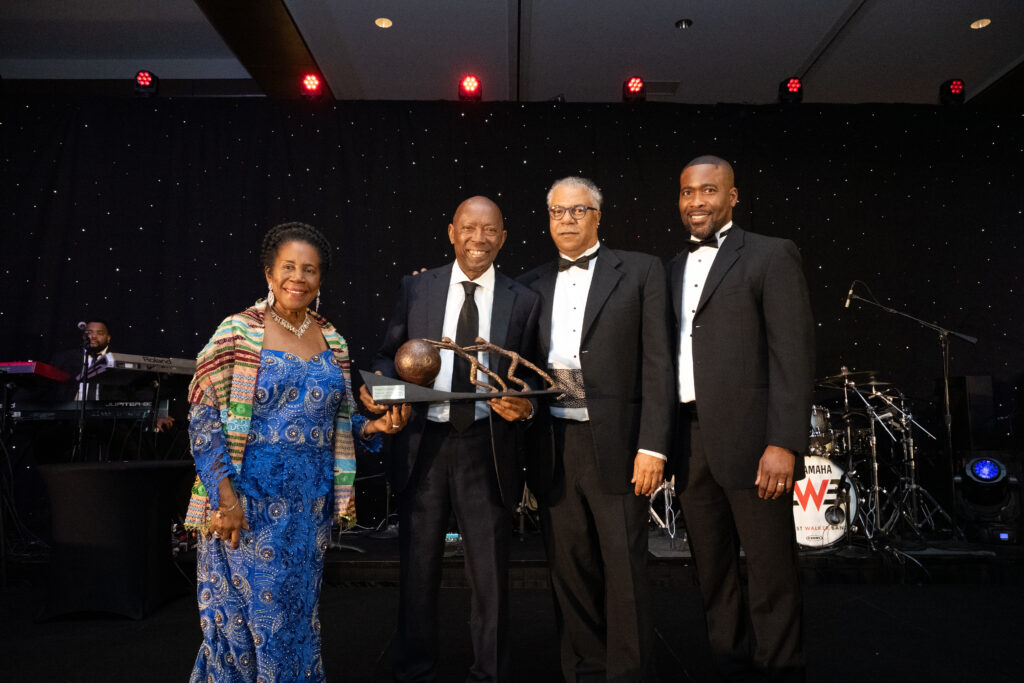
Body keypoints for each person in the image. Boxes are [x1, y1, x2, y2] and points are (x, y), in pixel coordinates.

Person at [184, 221, 409, 683]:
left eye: (310, 269)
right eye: (288, 267)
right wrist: (225, 499)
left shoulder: (333, 341)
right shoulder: (237, 332)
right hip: (247, 505)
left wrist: (377, 426)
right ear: (269, 273)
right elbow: (202, 421)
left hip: (307, 511)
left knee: (295, 622)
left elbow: (339, 424)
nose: (298, 278)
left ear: (320, 279)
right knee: (248, 627)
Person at [361, 196, 540, 682]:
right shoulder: (417, 287)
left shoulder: (524, 300)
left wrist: (526, 404)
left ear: (503, 238)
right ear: (451, 232)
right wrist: (378, 386)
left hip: (487, 445)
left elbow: (535, 375)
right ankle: (414, 672)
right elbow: (386, 354)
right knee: (418, 572)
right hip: (424, 443)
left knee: (491, 578)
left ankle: (491, 673)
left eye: (490, 230)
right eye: (469, 228)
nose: (478, 239)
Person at [518, 177, 674, 681]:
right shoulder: (529, 283)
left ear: (598, 216)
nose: (567, 220)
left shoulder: (642, 270)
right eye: (557, 212)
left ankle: (628, 674)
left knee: (625, 570)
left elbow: (659, 365)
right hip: (553, 443)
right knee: (569, 571)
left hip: (621, 445)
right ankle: (584, 671)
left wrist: (653, 446)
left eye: (578, 210)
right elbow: (519, 366)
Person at [667, 156, 814, 682]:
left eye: (708, 190)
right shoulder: (671, 268)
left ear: (733, 197)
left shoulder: (771, 255)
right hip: (689, 441)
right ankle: (728, 666)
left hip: (756, 445)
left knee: (772, 571)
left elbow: (793, 355)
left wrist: (784, 442)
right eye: (687, 192)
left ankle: (781, 669)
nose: (696, 201)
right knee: (712, 572)